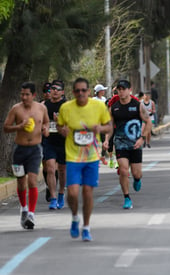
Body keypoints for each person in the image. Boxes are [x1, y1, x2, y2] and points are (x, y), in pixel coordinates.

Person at [57, 77, 112, 241]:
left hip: (92, 156)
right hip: (73, 157)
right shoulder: (66, 108)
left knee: (87, 193)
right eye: (77, 91)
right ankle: (75, 217)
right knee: (73, 193)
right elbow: (59, 125)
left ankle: (86, 227)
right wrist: (62, 130)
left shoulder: (98, 106)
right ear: (73, 92)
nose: (80, 94)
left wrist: (100, 128)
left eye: (83, 90)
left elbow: (109, 126)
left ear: (88, 92)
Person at [3, 82, 49, 229]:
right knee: (21, 182)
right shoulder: (16, 109)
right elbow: (6, 128)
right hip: (19, 150)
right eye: (22, 94)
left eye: (27, 94)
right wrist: (19, 127)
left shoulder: (41, 108)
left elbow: (46, 122)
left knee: (32, 181)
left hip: (35, 150)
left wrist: (45, 129)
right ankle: (23, 208)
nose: (24, 97)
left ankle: (31, 213)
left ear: (33, 95)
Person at [104, 80, 152, 209]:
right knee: (123, 170)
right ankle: (127, 197)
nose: (121, 91)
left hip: (135, 143)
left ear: (129, 90)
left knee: (137, 173)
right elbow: (109, 126)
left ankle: (137, 179)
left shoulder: (137, 105)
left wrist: (142, 138)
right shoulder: (114, 108)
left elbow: (148, 122)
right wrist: (107, 139)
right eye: (119, 89)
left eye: (123, 89)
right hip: (120, 143)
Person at [42, 80, 67, 210]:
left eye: (58, 89)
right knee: (51, 168)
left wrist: (60, 123)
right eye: (53, 89)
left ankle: (61, 193)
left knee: (62, 170)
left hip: (63, 141)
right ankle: (53, 198)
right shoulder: (43, 105)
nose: (55, 91)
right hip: (49, 141)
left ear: (62, 92)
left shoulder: (66, 106)